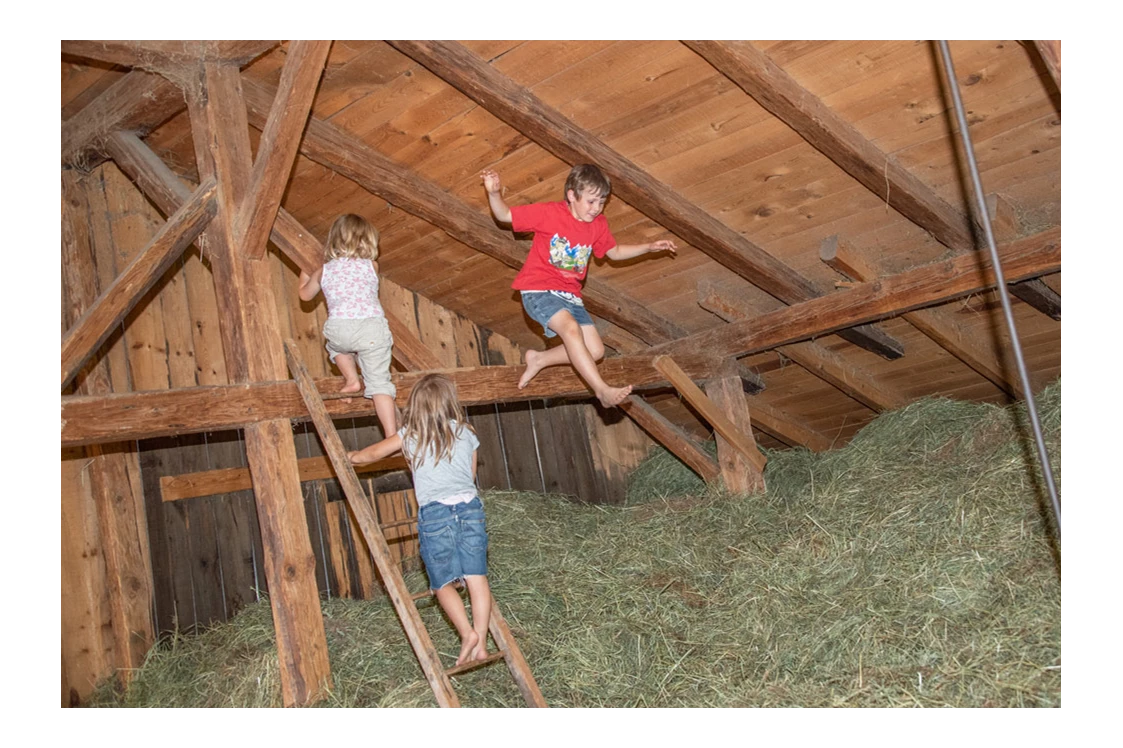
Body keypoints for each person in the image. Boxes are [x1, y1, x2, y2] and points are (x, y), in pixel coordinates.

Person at [481, 164, 677, 408]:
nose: (596, 209)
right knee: (571, 330)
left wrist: (647, 247)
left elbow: (613, 252)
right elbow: (505, 216)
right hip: (538, 290)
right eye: (591, 202)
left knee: (595, 351)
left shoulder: (598, 224)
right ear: (572, 195)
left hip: (570, 296)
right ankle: (601, 390)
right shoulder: (550, 213)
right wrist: (494, 193)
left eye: (601, 203)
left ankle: (539, 359)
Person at [348, 373, 492, 667]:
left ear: (415, 406)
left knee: (440, 583)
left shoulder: (411, 435)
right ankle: (482, 641)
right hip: (470, 509)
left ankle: (466, 633)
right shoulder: (466, 431)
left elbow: (371, 454)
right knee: (477, 578)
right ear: (450, 402)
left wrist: (351, 456)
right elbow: (472, 473)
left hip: (436, 513)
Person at [299, 213, 397, 438]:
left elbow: (305, 296)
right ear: (368, 241)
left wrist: (305, 272)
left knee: (337, 348)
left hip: (340, 327)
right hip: (371, 328)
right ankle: (391, 435)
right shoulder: (372, 266)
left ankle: (352, 380)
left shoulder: (324, 271)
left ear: (334, 240)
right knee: (379, 383)